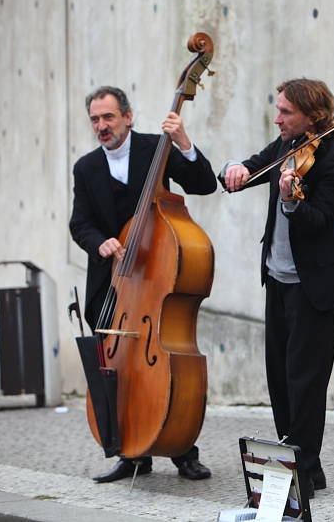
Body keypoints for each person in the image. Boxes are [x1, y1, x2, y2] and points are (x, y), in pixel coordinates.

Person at [219, 78, 334, 498]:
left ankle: (302, 468)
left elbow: (322, 222)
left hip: (314, 286)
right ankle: (301, 464)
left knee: (306, 381)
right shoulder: (285, 146)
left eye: (285, 112)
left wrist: (292, 202)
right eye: (277, 109)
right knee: (280, 377)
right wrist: (234, 169)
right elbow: (242, 172)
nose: (277, 118)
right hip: (277, 280)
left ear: (311, 117)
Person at [69, 86, 217, 483]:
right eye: (95, 120)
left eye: (109, 118)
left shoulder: (157, 147)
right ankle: (129, 452)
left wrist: (184, 143)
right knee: (115, 369)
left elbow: (204, 184)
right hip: (113, 283)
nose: (102, 126)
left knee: (162, 361)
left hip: (156, 277)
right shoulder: (86, 168)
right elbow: (79, 223)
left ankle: (183, 450)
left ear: (128, 117)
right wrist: (99, 242)